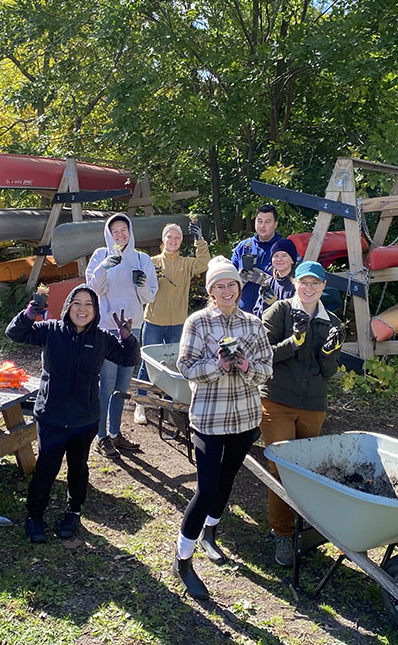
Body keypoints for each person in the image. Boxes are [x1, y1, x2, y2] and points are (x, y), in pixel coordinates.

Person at [172, 256, 273, 600]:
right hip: (210, 421)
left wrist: (245, 365)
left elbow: (266, 369)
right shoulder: (197, 323)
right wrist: (217, 365)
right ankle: (183, 560)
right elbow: (185, 367)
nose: (226, 290)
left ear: (239, 288)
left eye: (231, 284)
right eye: (219, 286)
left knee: (228, 480)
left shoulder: (254, 324)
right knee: (206, 489)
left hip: (245, 420)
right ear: (211, 292)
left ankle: (210, 533)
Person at [6, 285, 140, 543]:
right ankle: (35, 516)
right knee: (47, 467)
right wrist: (32, 311)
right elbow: (15, 333)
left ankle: (73, 511)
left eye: (88, 304)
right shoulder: (51, 331)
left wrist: (127, 337)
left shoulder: (101, 338)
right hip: (51, 416)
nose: (82, 309)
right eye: (77, 303)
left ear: (95, 310)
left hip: (85, 419)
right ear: (68, 307)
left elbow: (129, 359)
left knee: (78, 467)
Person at [258, 261, 345, 566]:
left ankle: (300, 523)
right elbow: (262, 356)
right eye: (304, 283)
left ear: (323, 287)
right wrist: (293, 342)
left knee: (306, 470)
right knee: (282, 468)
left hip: (313, 406)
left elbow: (328, 372)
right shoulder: (279, 312)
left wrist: (328, 353)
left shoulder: (332, 321)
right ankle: (281, 533)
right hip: (277, 401)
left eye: (315, 284)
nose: (309, 289)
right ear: (294, 283)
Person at [86, 213, 158, 458]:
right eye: (114, 231)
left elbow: (150, 297)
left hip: (132, 329)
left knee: (122, 386)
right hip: (106, 328)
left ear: (130, 231)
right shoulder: (100, 256)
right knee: (106, 385)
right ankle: (101, 436)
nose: (119, 235)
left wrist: (141, 283)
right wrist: (104, 268)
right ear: (109, 234)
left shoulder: (141, 259)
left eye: (123, 230)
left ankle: (115, 434)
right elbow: (93, 290)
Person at [133, 220, 210, 424]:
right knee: (147, 364)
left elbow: (204, 263)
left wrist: (199, 240)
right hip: (153, 321)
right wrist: (144, 279)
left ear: (181, 241)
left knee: (176, 365)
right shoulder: (151, 261)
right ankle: (141, 403)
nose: (173, 240)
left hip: (178, 323)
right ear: (163, 240)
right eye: (170, 237)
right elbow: (139, 283)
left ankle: (170, 406)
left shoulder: (186, 263)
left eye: (177, 237)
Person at [231, 203, 285, 314]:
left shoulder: (284, 248)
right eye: (259, 221)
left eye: (267, 222)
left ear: (275, 224)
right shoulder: (243, 247)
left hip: (271, 315)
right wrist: (237, 280)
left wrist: (266, 280)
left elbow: (294, 281)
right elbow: (227, 276)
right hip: (241, 314)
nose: (262, 226)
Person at [251, 237, 298, 319]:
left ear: (292, 260)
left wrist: (275, 305)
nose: (279, 259)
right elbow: (257, 316)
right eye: (275, 256)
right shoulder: (268, 284)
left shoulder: (298, 284)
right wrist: (265, 305)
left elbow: (297, 317)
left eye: (284, 256)